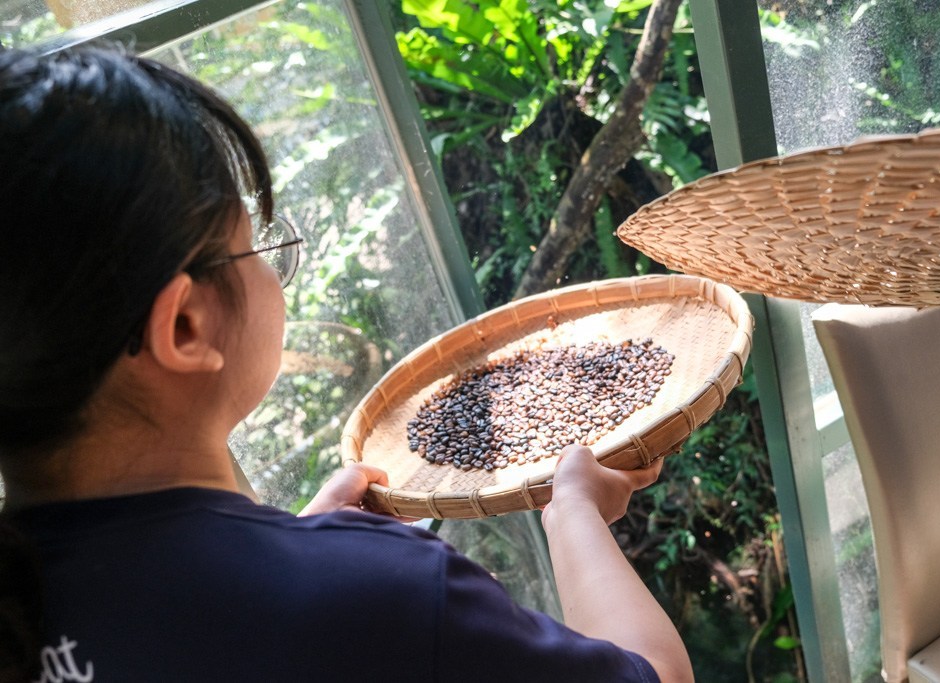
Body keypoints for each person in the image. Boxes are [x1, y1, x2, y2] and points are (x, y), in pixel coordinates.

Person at [0, 45, 693, 683]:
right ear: (186, 325)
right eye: (258, 244)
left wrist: (300, 547)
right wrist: (572, 512)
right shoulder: (389, 595)